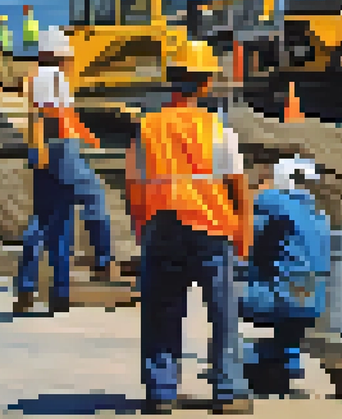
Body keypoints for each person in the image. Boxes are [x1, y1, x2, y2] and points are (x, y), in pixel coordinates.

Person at [126, 43, 253, 414]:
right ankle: (227, 391)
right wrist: (243, 238)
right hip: (211, 227)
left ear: (171, 82)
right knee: (223, 312)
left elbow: (134, 184)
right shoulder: (217, 128)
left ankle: (161, 391)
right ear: (206, 83)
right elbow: (238, 188)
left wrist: (141, 229)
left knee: (161, 310)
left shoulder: (147, 127)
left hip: (161, 225)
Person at [15, 27, 119, 315]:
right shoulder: (55, 77)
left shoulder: (34, 77)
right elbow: (58, 114)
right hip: (60, 149)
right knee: (95, 196)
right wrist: (79, 138)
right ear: (60, 56)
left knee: (49, 220)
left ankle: (30, 288)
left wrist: (87, 135)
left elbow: (55, 115)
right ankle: (103, 261)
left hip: (41, 150)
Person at [239, 156, 331, 399]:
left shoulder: (269, 202)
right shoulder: (318, 213)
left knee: (221, 295)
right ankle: (288, 362)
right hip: (314, 301)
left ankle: (233, 358)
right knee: (293, 312)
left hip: (281, 298)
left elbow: (245, 245)